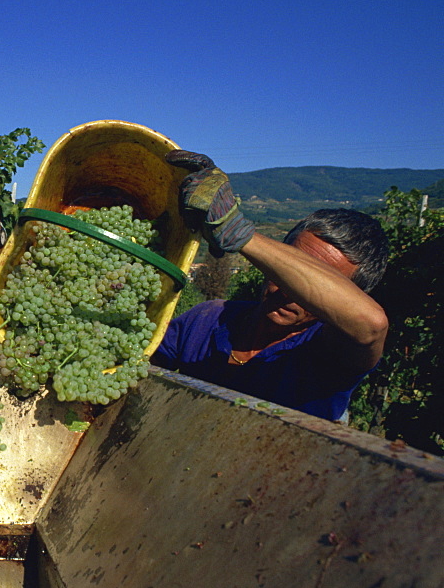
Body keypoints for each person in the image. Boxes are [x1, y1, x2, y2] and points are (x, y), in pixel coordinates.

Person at [151, 151, 390, 422]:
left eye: (309, 286)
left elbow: (370, 324)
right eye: (286, 271)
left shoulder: (330, 355)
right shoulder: (208, 319)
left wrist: (237, 232)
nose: (290, 291)